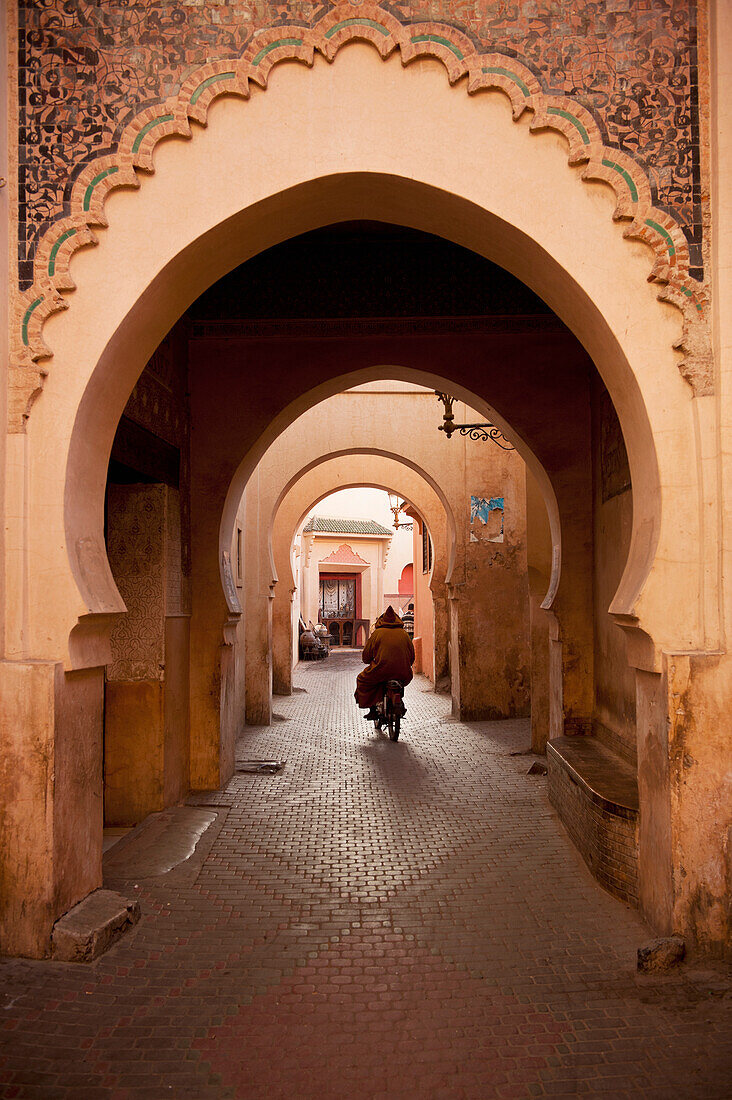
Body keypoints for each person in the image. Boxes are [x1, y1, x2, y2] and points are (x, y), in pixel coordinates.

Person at [355, 605, 415, 721]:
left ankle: (372, 710)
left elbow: (367, 655)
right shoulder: (403, 634)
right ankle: (399, 701)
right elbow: (412, 655)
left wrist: (368, 660)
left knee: (362, 679)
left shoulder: (377, 633)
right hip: (403, 672)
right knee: (400, 683)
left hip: (381, 671)